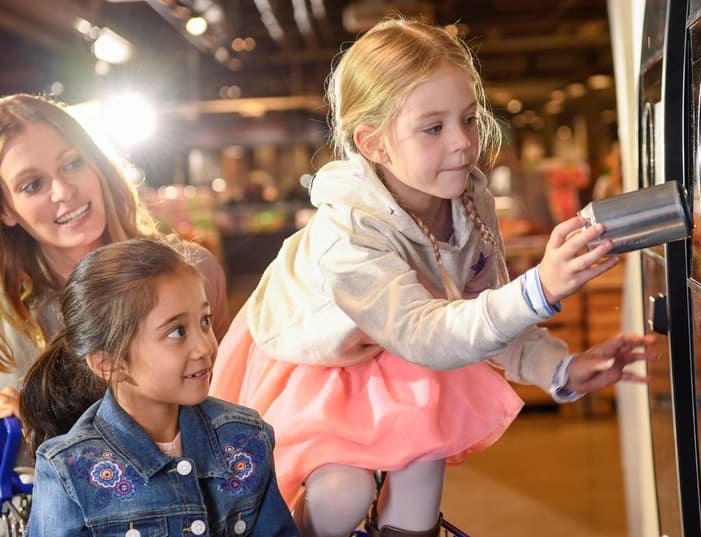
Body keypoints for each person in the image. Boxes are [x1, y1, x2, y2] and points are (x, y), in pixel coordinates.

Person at [210, 18, 655, 537]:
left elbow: (486, 314)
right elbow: (429, 335)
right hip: (312, 359)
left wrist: (562, 370)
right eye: (433, 127)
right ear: (373, 144)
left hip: (398, 348)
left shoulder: (468, 199)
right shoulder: (347, 232)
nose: (463, 143)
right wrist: (540, 288)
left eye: (468, 118)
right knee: (341, 492)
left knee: (424, 450)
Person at [20, 238, 298, 536]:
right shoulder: (69, 471)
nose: (204, 346)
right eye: (177, 331)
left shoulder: (247, 437)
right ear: (107, 363)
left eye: (205, 321)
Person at [0, 94, 229, 422]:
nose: (64, 191)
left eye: (72, 163)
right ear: (6, 209)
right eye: (33, 184)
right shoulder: (9, 321)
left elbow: (230, 401)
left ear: (96, 163)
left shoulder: (195, 270)